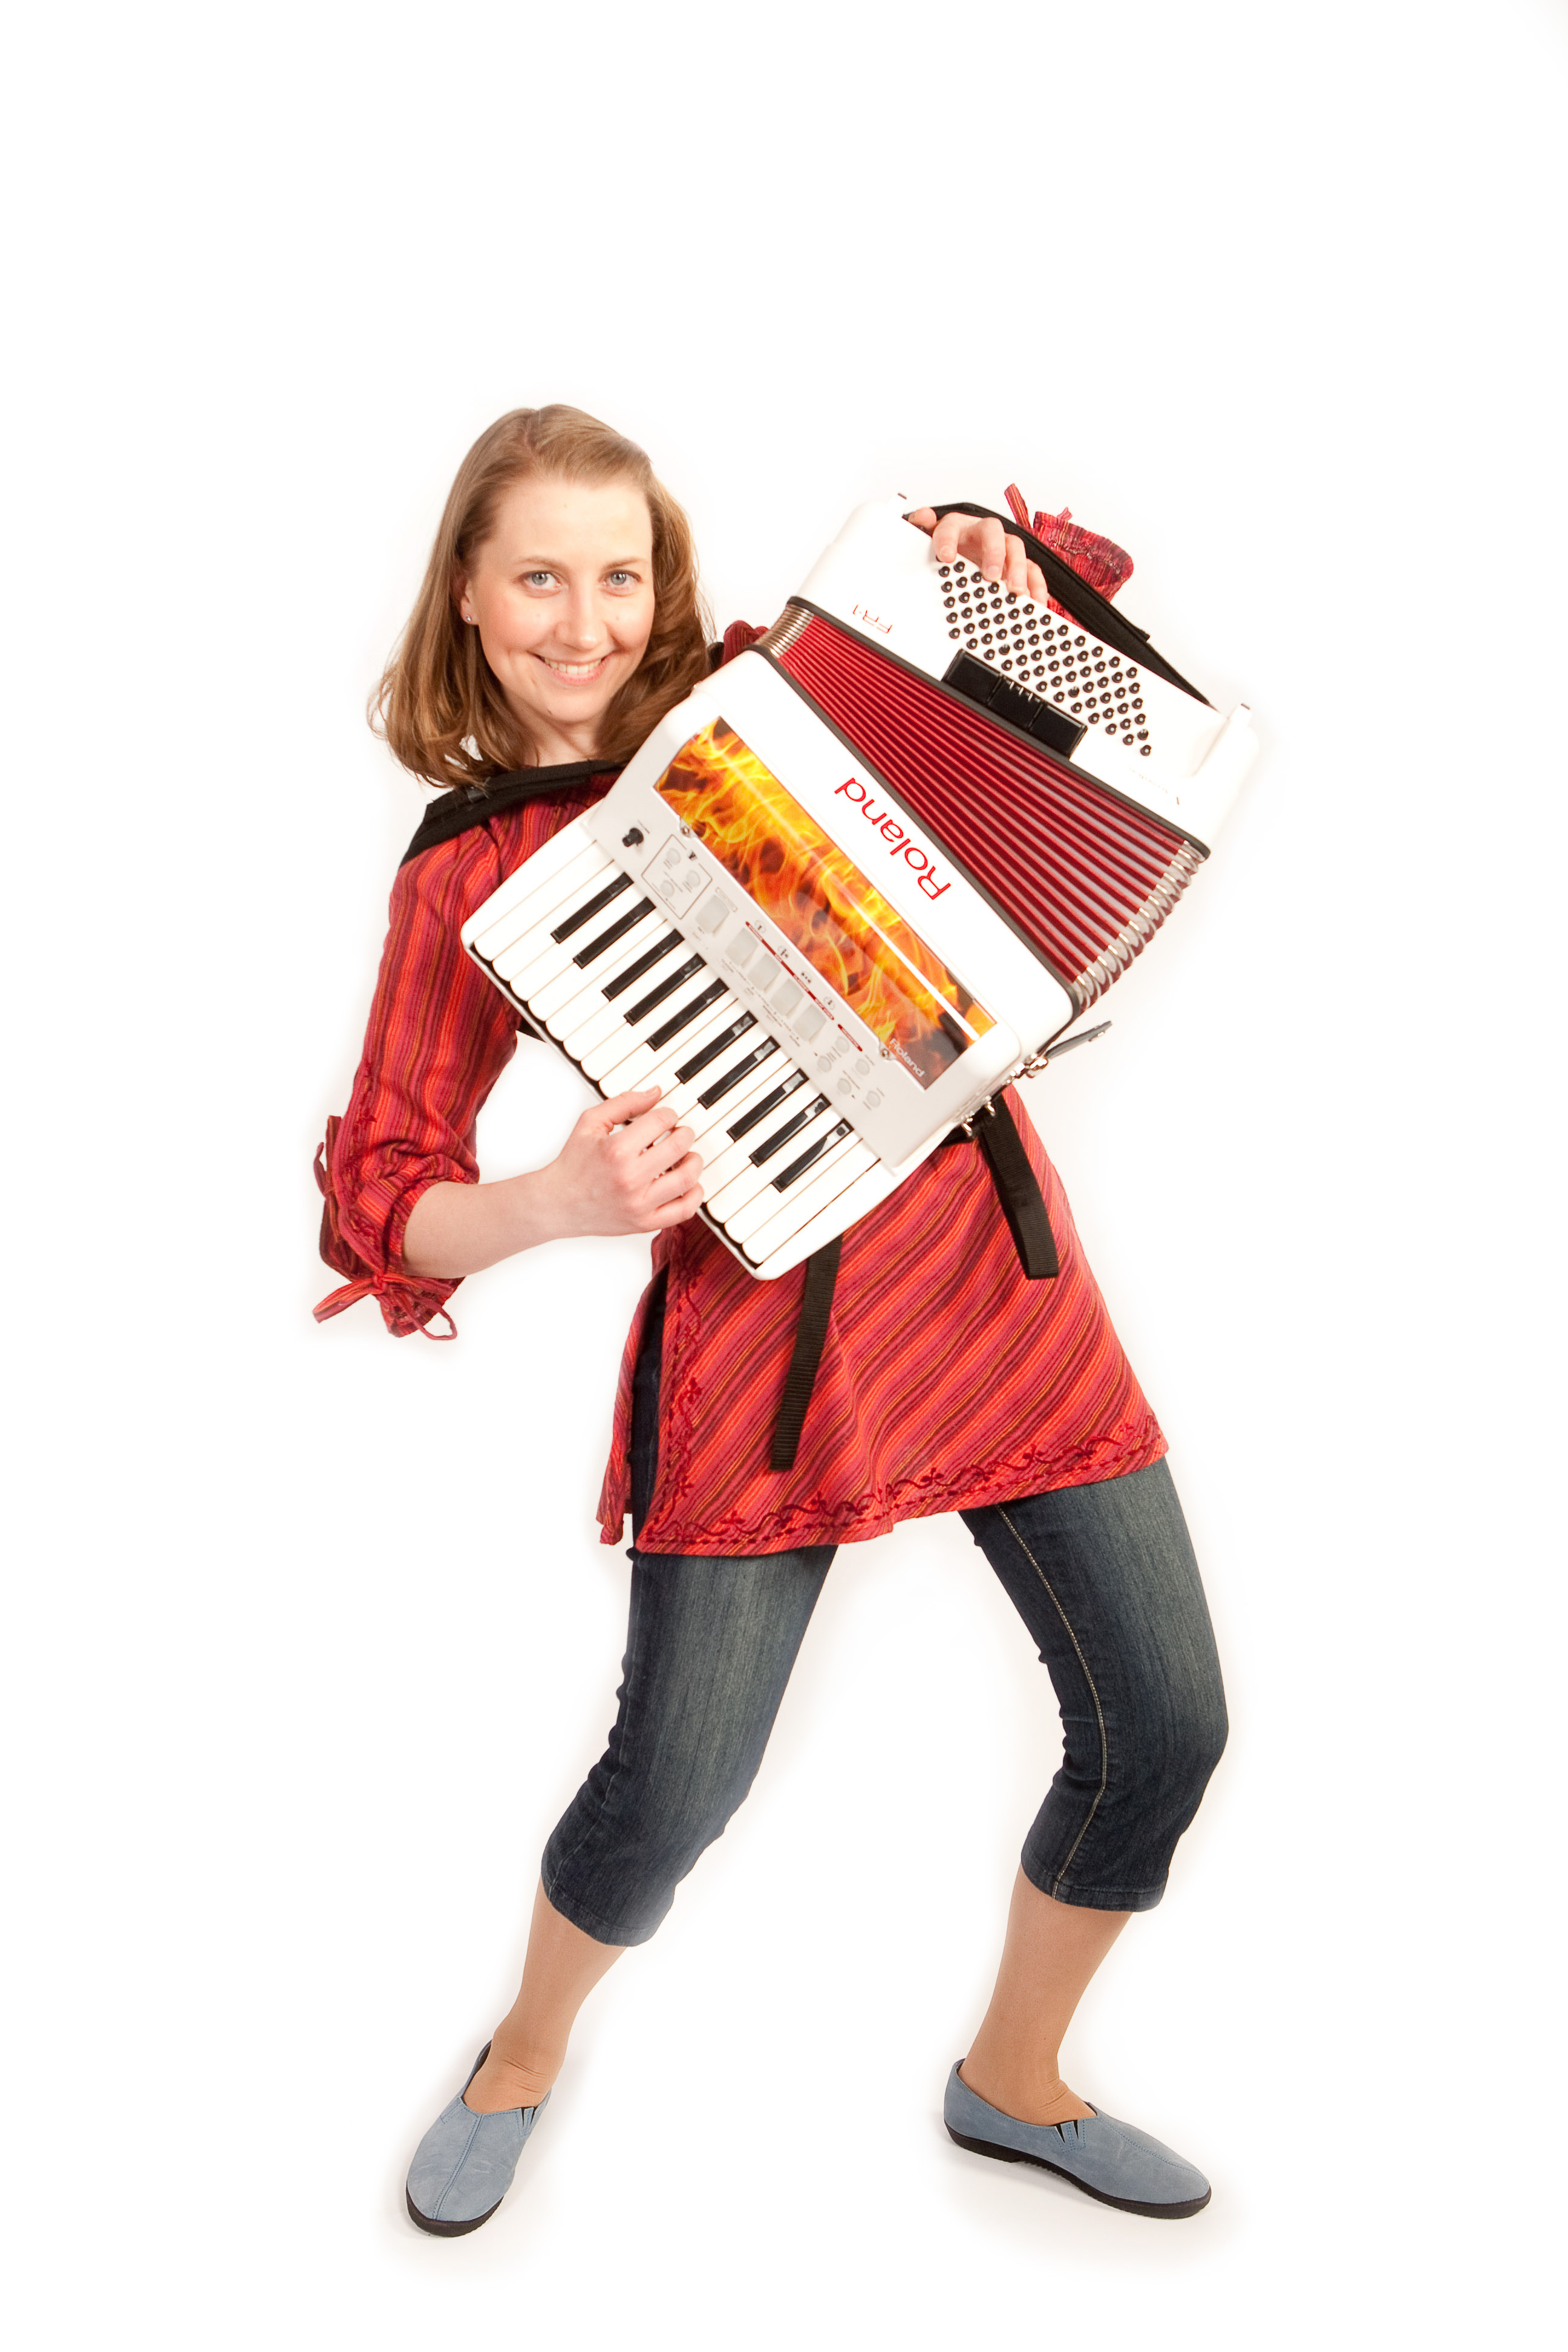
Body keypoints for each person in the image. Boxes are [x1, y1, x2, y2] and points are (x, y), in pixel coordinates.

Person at [316, 405, 1229, 2236]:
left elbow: (1035, 670)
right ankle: (520, 2053)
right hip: (765, 1342)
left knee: (1165, 1721)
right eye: (540, 577)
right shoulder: (468, 867)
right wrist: (556, 1203)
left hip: (995, 1283)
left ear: (662, 581)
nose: (587, 621)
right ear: (469, 596)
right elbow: (384, 1195)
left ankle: (1016, 2081)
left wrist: (977, 558)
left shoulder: (783, 689)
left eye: (620, 573)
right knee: (673, 1788)